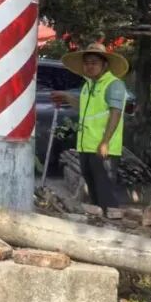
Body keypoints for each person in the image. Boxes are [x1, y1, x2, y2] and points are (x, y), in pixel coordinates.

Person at [52, 42, 130, 213]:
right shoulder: (88, 85)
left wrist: (105, 142)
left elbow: (116, 113)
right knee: (93, 188)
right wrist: (66, 97)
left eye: (94, 63)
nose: (89, 66)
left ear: (105, 64)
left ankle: (111, 221)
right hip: (86, 146)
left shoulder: (113, 85)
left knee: (105, 190)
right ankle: (99, 220)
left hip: (103, 147)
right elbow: (84, 108)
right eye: (87, 63)